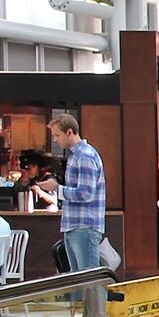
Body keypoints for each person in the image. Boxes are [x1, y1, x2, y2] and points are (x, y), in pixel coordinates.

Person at [51, 110, 107, 272]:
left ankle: (93, 299)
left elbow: (86, 193)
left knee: (89, 278)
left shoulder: (84, 156)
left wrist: (57, 189)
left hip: (84, 225)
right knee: (78, 279)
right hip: (76, 225)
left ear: (69, 132)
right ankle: (83, 299)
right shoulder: (77, 156)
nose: (55, 140)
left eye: (57, 135)